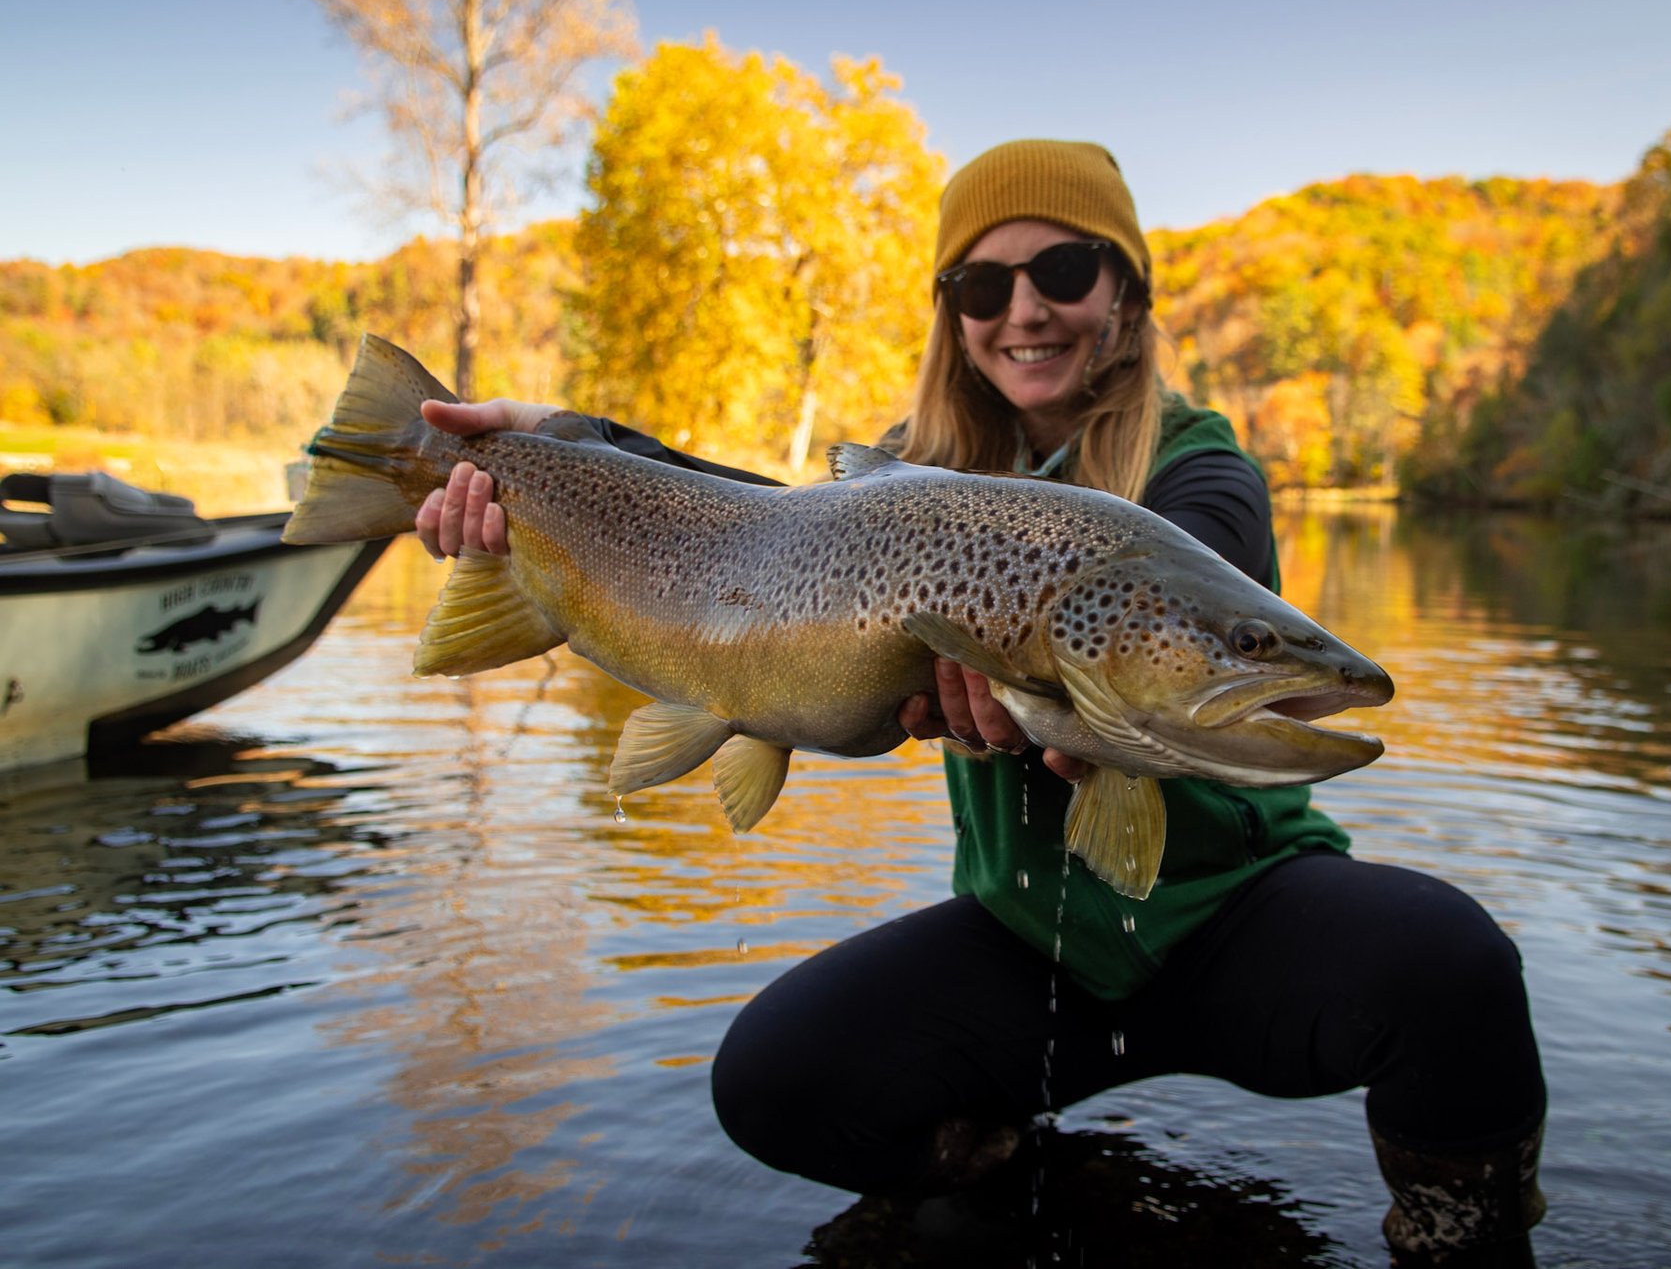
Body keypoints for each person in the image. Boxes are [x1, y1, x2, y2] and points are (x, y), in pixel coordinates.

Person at [413, 140, 1548, 1267]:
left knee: (1453, 965)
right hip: (1034, 944)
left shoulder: (1202, 468)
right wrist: (564, 448)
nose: (1025, 311)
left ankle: (1466, 1243)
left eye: (1063, 271)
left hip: (1240, 921)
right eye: (981, 284)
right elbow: (754, 527)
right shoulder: (907, 475)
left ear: (1126, 293)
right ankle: (1044, 1199)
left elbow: (1198, 573)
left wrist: (1096, 669)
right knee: (774, 1078)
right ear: (950, 312)